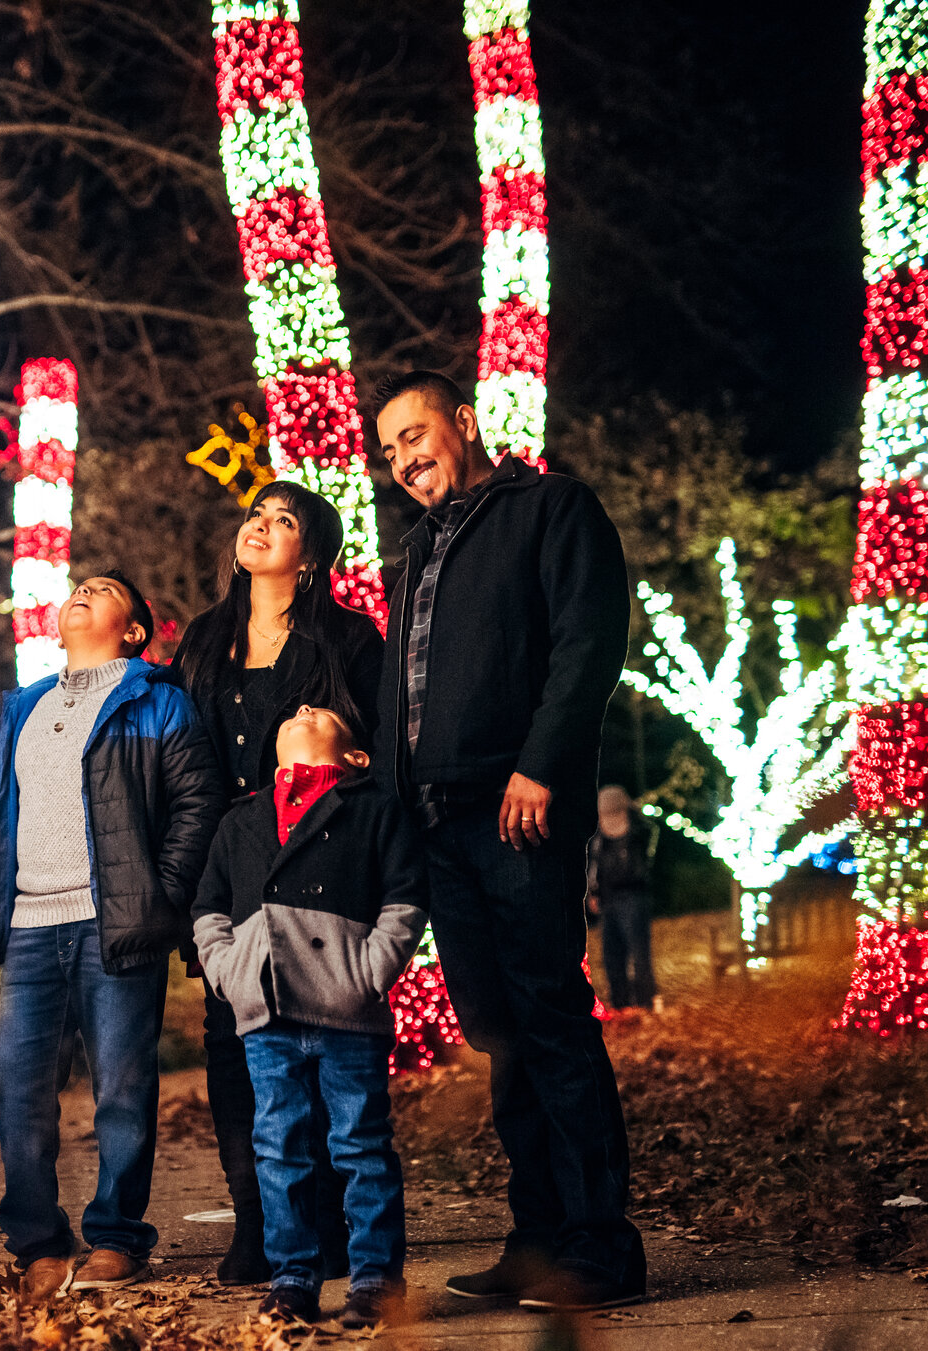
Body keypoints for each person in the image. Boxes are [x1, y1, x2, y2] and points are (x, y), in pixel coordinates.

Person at [371, 370, 646, 1311]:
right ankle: (536, 1244)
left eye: (417, 433)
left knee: (550, 1018)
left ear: (464, 422)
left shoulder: (549, 507)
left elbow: (587, 643)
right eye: (392, 448)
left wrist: (540, 764)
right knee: (499, 1031)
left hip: (516, 805)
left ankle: (603, 1248)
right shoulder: (414, 557)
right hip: (439, 823)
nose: (406, 458)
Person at [0, 570, 224, 1303]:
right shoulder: (23, 706)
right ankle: (38, 1240)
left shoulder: (158, 700)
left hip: (113, 922)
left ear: (136, 630)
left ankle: (117, 1236)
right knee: (18, 1085)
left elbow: (197, 801)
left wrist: (161, 893)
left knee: (122, 1084)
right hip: (27, 925)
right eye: (78, 585)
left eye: (104, 588)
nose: (83, 590)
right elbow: (2, 816)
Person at [174, 480, 383, 1285]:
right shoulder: (202, 640)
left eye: (283, 519)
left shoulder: (347, 641)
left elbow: (373, 758)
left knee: (325, 1043)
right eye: (256, 513)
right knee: (233, 1045)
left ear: (313, 556)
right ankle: (259, 1222)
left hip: (318, 864)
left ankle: (328, 1224)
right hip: (224, 868)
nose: (260, 526)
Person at [191, 705, 427, 1329]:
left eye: (322, 712)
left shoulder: (373, 808)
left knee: (360, 1145)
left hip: (347, 1007)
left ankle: (376, 1279)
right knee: (279, 1148)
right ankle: (292, 1277)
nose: (301, 707)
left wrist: (368, 973)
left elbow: (404, 900)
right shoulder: (243, 818)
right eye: (295, 709)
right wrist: (228, 971)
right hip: (265, 1008)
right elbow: (209, 907)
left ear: (355, 757)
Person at [587, 786, 659, 1013]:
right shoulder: (598, 839)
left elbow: (649, 846)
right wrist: (595, 893)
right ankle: (621, 1004)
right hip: (609, 900)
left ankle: (645, 1002)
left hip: (633, 896)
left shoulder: (639, 832)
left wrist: (636, 814)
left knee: (638, 953)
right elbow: (595, 866)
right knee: (612, 955)